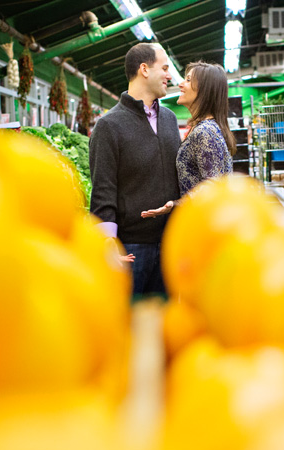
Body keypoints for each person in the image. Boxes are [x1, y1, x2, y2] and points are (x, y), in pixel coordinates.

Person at [89, 43, 180, 297]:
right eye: (164, 68)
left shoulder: (170, 120)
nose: (169, 75)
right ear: (144, 69)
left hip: (170, 246)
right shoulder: (109, 126)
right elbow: (103, 188)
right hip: (130, 250)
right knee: (129, 328)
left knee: (165, 328)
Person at [141, 61, 235, 221]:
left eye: (189, 80)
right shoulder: (206, 128)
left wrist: (176, 204)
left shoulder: (205, 131)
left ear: (204, 90)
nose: (181, 84)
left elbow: (213, 186)